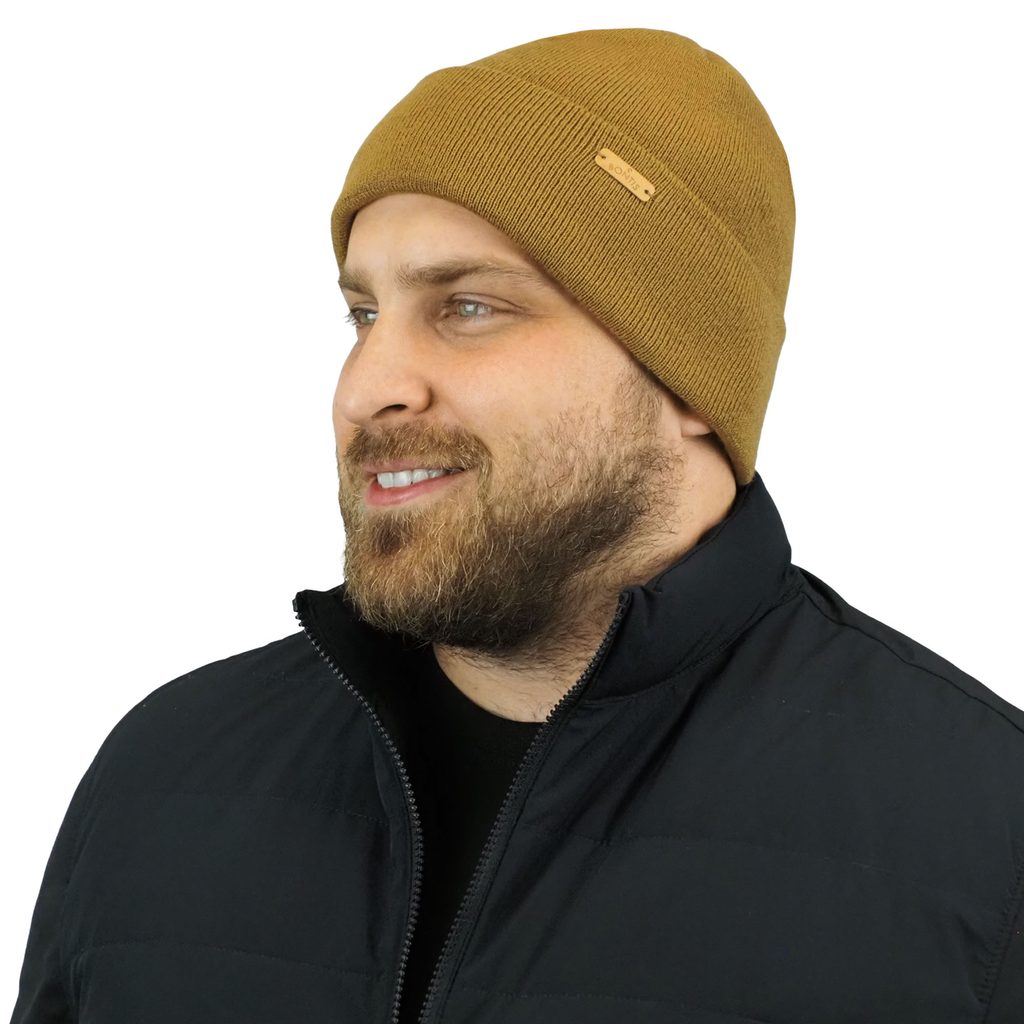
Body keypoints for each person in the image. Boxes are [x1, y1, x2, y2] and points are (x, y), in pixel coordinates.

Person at [10, 26, 1024, 1024]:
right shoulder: (167, 774)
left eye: (468, 307)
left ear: (688, 376)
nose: (366, 387)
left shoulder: (982, 838)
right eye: (363, 314)